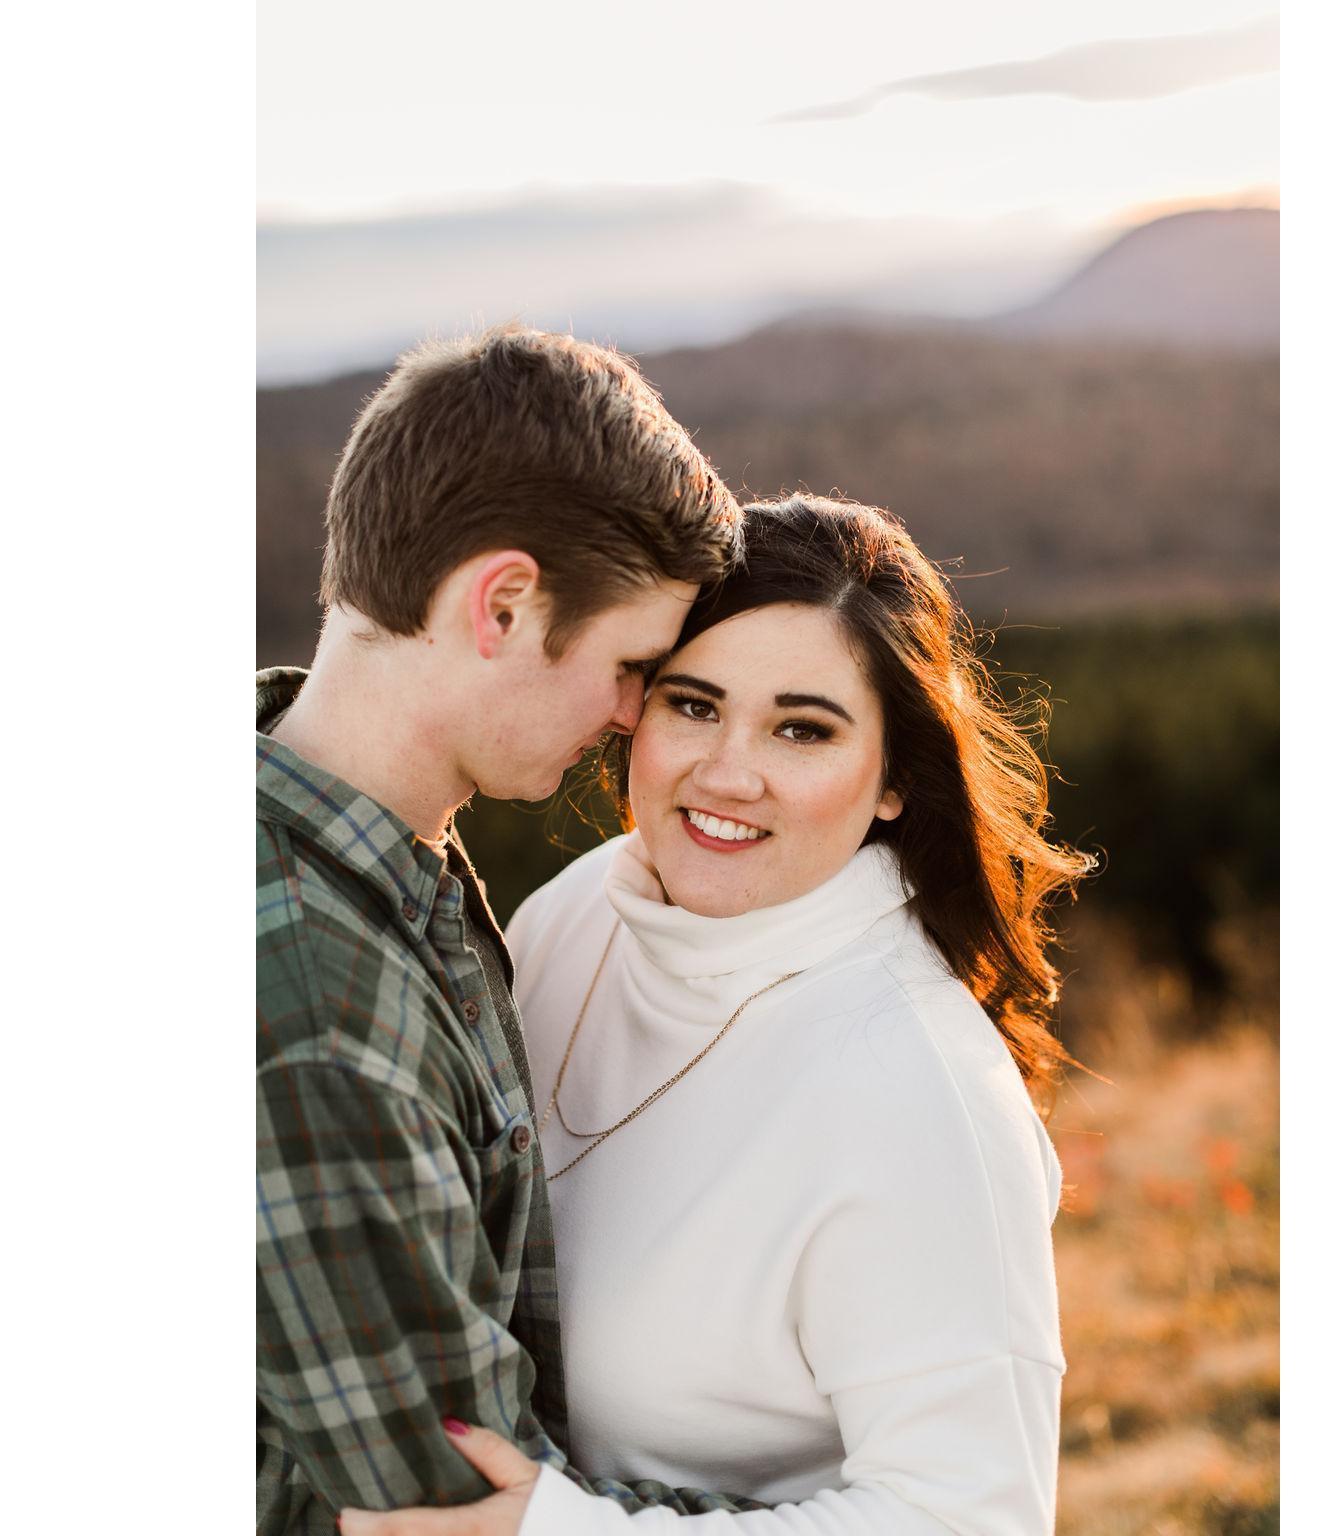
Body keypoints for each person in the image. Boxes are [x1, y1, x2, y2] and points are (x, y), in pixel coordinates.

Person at [344, 496, 1094, 1535]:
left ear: (893, 781)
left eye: (802, 728)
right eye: (693, 704)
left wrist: (563, 1533)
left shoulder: (922, 1098)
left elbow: (973, 1517)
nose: (728, 774)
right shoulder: (579, 912)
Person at [258, 323, 767, 1533]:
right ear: (502, 604)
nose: (638, 715)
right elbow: (453, 1509)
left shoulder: (375, 869)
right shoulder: (317, 1010)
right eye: (633, 662)